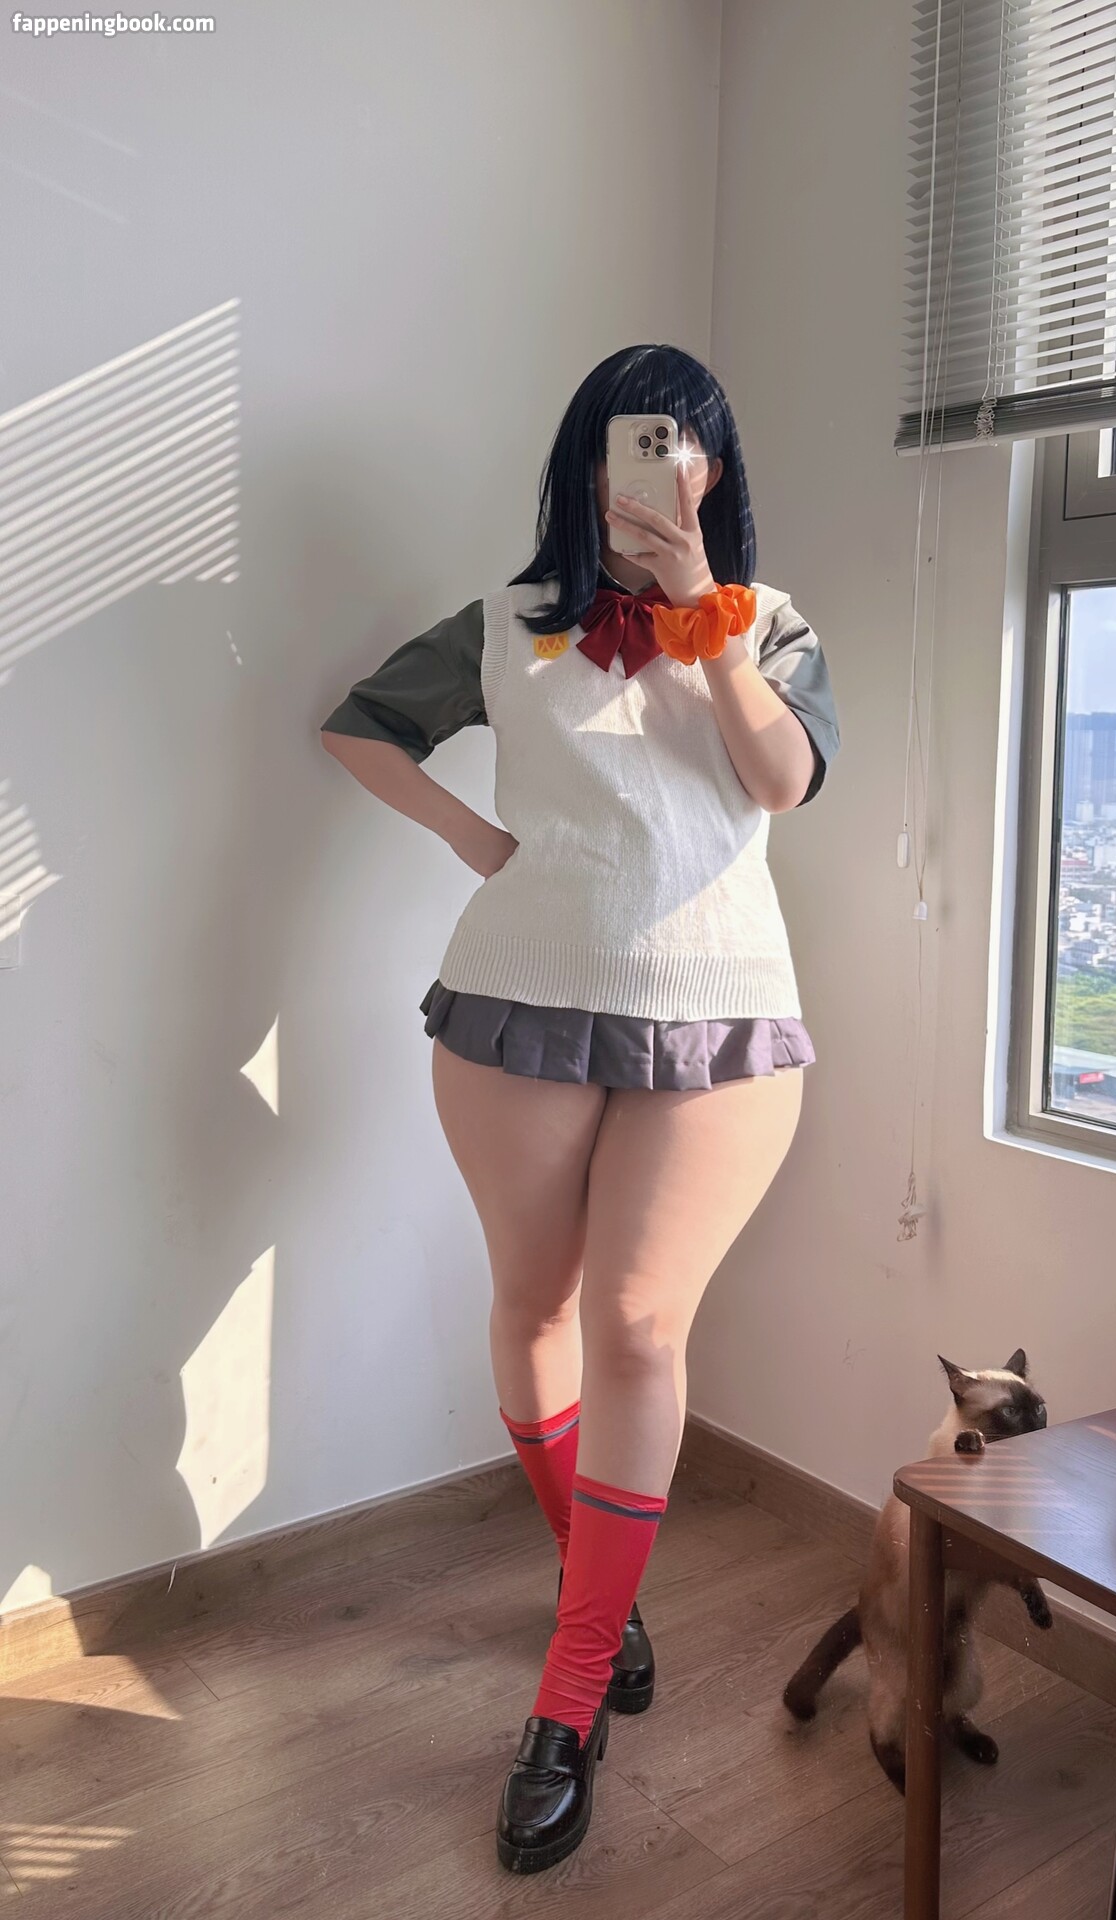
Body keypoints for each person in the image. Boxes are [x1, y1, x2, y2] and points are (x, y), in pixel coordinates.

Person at [319, 343, 840, 1875]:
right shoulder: (507, 623)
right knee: (535, 1310)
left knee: (635, 1329)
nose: (651, 468)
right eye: (625, 444)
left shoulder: (771, 620)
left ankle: (568, 1698)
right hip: (517, 1000)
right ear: (582, 466)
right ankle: (597, 1592)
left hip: (718, 1012)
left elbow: (782, 782)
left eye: (678, 444)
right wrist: (476, 842)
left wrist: (703, 609)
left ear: (712, 469)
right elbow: (359, 726)